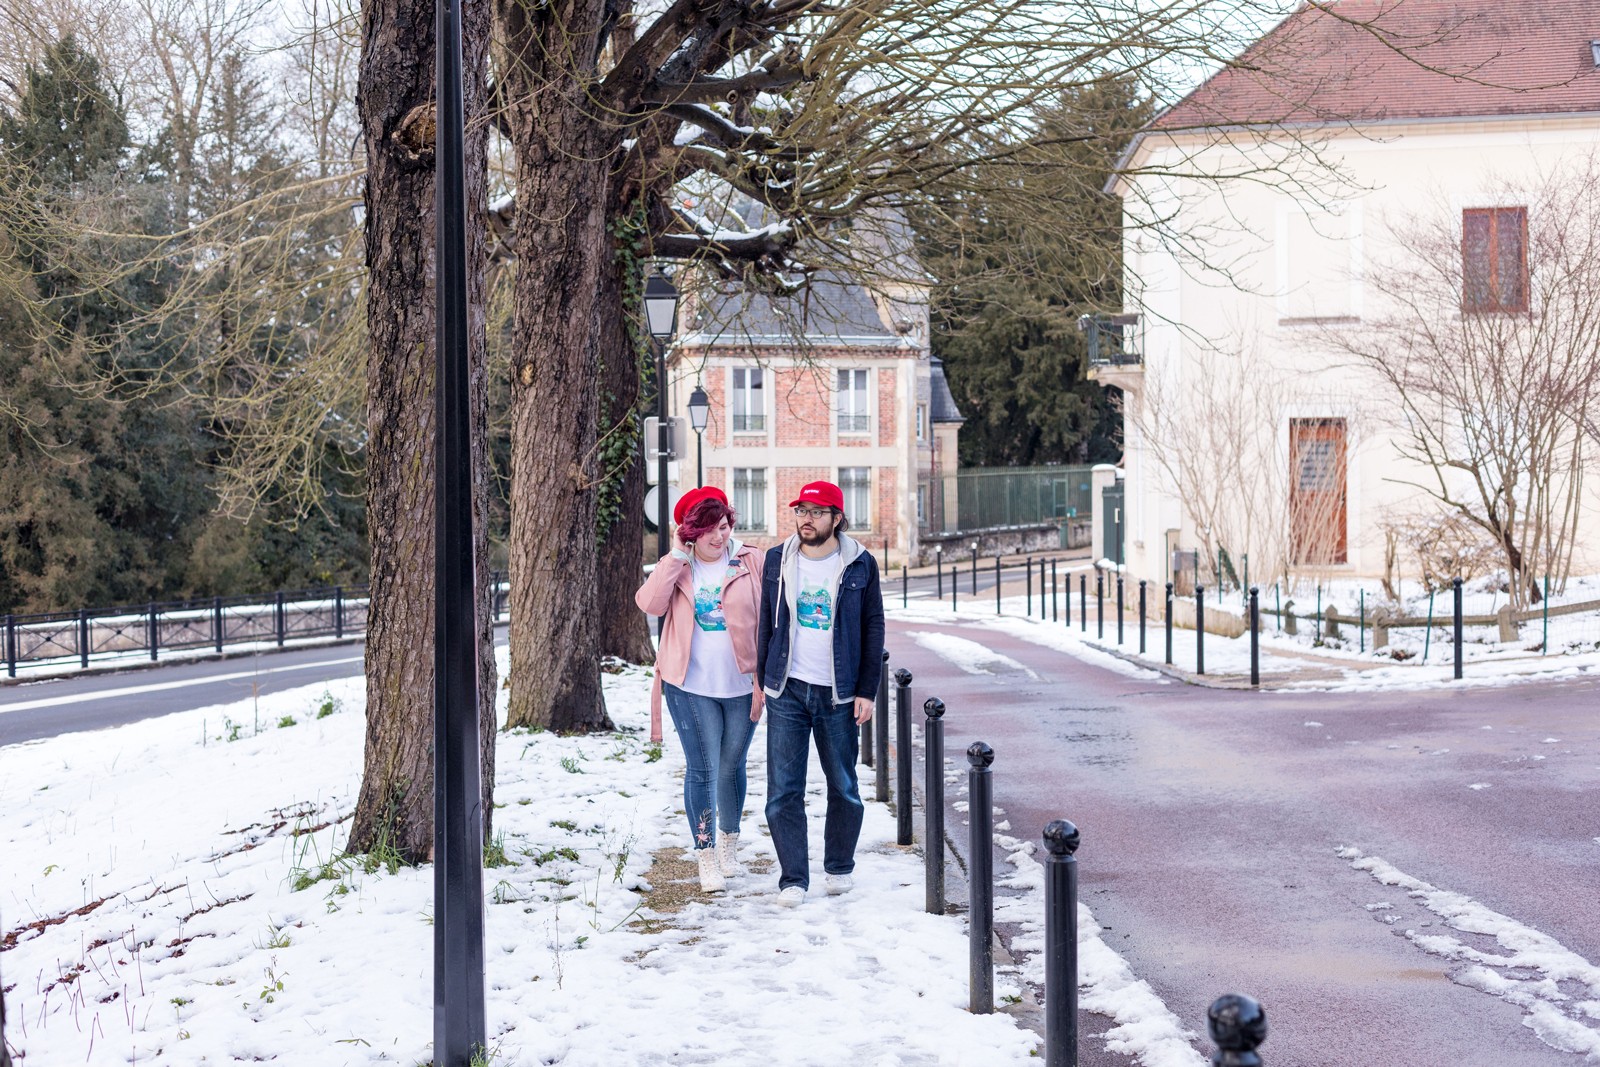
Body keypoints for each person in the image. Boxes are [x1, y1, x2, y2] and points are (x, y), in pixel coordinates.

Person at [756, 480, 885, 906]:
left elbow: (873, 627)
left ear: (837, 518)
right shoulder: (778, 558)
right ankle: (793, 877)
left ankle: (839, 866)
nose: (805, 519)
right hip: (788, 690)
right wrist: (763, 677)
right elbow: (767, 623)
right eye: (800, 510)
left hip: (839, 693)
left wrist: (867, 690)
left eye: (815, 511)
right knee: (783, 791)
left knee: (844, 786)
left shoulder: (860, 563)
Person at [635, 486, 766, 893]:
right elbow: (649, 604)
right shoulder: (677, 565)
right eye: (706, 528)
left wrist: (766, 680)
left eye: (723, 526)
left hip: (742, 685)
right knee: (703, 768)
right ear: (689, 530)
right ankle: (705, 854)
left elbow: (774, 616)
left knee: (731, 766)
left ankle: (729, 842)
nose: (717, 536)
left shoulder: (751, 560)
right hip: (689, 686)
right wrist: (676, 554)